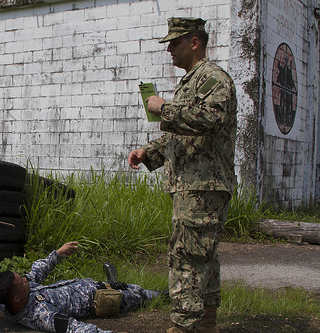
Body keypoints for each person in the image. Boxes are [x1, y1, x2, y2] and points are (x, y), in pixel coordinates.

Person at [128, 17, 237, 333]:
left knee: (187, 257)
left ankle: (184, 326)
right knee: (203, 256)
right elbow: (186, 135)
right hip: (195, 184)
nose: (170, 50)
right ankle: (207, 323)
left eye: (175, 43)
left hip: (203, 185)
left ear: (194, 42)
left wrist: (164, 108)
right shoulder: (192, 82)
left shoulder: (213, 78)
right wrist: (149, 153)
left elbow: (210, 120)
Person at [0, 241, 165, 333]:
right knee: (139, 294)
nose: (26, 280)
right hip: (98, 300)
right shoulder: (40, 316)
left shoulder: (8, 298)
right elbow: (73, 328)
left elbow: (36, 273)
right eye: (22, 281)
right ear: (16, 298)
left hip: (85, 285)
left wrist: (57, 254)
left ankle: (111, 282)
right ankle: (165, 295)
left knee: (115, 285)